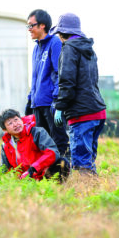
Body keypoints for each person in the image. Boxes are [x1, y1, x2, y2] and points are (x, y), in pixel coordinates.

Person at [50, 13, 107, 175]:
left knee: (81, 161)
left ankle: (85, 193)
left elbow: (67, 81)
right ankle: (94, 192)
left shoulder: (69, 49)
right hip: (97, 111)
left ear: (61, 34)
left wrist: (60, 107)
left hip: (81, 113)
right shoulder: (89, 49)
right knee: (88, 159)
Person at [25, 9, 70, 159]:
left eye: (31, 25)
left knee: (58, 140)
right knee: (41, 143)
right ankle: (47, 174)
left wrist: (57, 100)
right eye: (28, 26)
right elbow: (35, 77)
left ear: (42, 25)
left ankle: (64, 172)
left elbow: (60, 73)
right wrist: (30, 99)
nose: (29, 29)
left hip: (51, 102)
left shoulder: (55, 42)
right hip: (37, 104)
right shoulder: (35, 48)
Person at [0, 109, 70, 182]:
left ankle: (53, 189)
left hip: (42, 175)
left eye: (16, 120)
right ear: (4, 129)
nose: (15, 124)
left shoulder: (37, 132)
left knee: (62, 163)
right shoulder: (6, 145)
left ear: (21, 119)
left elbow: (52, 153)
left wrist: (33, 169)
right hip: (24, 182)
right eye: (10, 123)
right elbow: (4, 169)